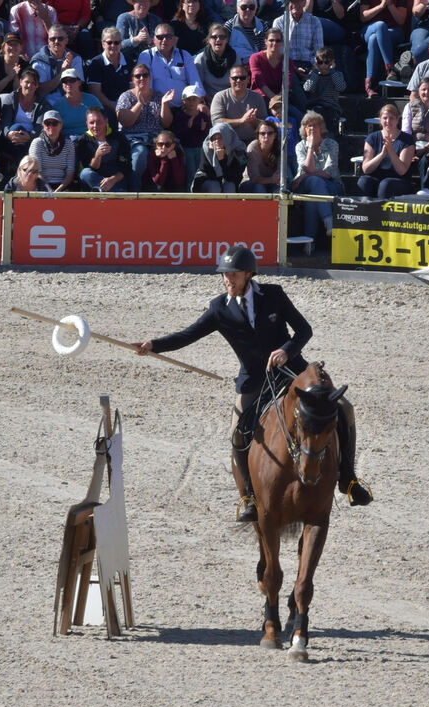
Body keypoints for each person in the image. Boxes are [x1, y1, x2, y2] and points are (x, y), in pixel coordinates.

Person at [132, 245, 372, 523]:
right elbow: (188, 335)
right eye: (224, 275)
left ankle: (350, 480)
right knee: (237, 432)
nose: (227, 280)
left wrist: (286, 350)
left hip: (292, 370)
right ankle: (247, 496)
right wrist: (153, 345)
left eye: (233, 274)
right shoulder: (218, 308)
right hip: (253, 380)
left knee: (343, 406)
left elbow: (304, 330)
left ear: (248, 274)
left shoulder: (273, 295)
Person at [116, 63, 173, 189]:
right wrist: (139, 103)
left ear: (150, 77)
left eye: (145, 75)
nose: (142, 78)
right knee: (140, 154)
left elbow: (166, 123)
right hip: (133, 138)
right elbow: (126, 121)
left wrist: (164, 104)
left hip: (155, 139)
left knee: (175, 151)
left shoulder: (158, 96)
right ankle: (134, 191)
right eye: (138, 76)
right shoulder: (126, 96)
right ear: (132, 79)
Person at [292, 110, 340, 239]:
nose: (312, 128)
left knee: (312, 198)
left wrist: (305, 175)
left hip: (331, 185)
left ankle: (310, 241)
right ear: (304, 129)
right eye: (309, 125)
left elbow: (328, 172)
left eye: (315, 125)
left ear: (321, 127)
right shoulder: (300, 146)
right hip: (303, 186)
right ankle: (329, 221)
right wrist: (311, 147)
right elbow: (308, 167)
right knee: (314, 182)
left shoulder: (332, 144)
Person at [357, 102, 416, 197]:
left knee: (385, 184)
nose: (388, 121)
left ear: (397, 120)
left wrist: (391, 151)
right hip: (376, 178)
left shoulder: (407, 140)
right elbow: (366, 169)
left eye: (392, 118)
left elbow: (402, 171)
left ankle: (382, 212)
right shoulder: (372, 138)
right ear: (380, 120)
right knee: (363, 181)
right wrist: (382, 154)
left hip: (399, 181)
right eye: (385, 118)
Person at [138, 22, 202, 108]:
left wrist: (199, 102)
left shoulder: (184, 55)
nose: (164, 40)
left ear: (174, 39)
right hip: (157, 108)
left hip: (184, 107)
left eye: (168, 37)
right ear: (154, 39)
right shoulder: (146, 56)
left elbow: (195, 81)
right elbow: (145, 86)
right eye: (160, 37)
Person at [0, 65, 47, 169]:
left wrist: (30, 136)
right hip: (12, 138)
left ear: (37, 85)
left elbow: (40, 126)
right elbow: (5, 122)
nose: (30, 85)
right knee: (16, 128)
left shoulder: (43, 103)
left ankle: (18, 166)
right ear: (20, 81)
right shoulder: (11, 98)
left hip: (32, 139)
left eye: (34, 83)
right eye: (27, 82)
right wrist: (9, 134)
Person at [75, 104, 130, 190]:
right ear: (87, 124)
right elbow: (90, 168)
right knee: (85, 173)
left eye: (99, 122)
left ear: (106, 121)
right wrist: (98, 155)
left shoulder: (119, 137)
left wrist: (112, 179)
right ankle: (106, 193)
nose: (95, 126)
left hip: (116, 181)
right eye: (91, 123)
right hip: (94, 182)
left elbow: (126, 166)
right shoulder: (83, 141)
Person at [249, 28, 305, 112]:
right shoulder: (255, 58)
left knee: (297, 115)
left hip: (281, 97)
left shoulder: (287, 60)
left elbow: (287, 81)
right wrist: (273, 98)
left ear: (282, 43)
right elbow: (259, 81)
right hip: (261, 97)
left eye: (278, 40)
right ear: (265, 41)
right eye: (271, 40)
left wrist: (279, 97)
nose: (274, 43)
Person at [210, 60, 266, 141]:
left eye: (242, 78)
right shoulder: (220, 97)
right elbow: (216, 122)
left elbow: (265, 124)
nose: (238, 80)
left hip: (252, 141)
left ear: (248, 79)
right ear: (229, 79)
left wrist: (254, 120)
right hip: (228, 142)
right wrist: (241, 120)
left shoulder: (257, 97)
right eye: (235, 78)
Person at [362, 0, 410, 93]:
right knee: (380, 25)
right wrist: (381, 6)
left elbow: (400, 21)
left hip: (393, 31)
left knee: (374, 39)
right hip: (370, 29)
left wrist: (390, 4)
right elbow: (363, 17)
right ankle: (390, 69)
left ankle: (369, 85)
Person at [86, 27, 132, 115]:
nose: (113, 46)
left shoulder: (129, 61)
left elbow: (133, 88)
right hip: (104, 106)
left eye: (116, 42)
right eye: (109, 42)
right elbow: (95, 92)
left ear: (121, 44)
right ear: (103, 44)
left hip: (126, 104)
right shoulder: (96, 63)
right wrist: (115, 107)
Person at [172, 82, 210, 182]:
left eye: (194, 99)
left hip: (200, 148)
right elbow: (178, 134)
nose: (192, 102)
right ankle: (190, 192)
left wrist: (203, 129)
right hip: (186, 148)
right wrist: (188, 127)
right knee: (190, 171)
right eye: (189, 99)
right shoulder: (180, 115)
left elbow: (207, 136)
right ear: (183, 101)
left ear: (200, 100)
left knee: (200, 171)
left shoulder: (203, 116)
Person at [28, 107, 75, 188]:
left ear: (61, 125)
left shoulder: (69, 144)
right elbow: (36, 170)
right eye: (47, 123)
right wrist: (49, 190)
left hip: (62, 185)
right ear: (43, 126)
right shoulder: (37, 143)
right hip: (40, 184)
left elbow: (70, 172)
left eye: (55, 123)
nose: (51, 126)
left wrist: (58, 191)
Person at [270, 0, 322, 73]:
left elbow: (319, 51)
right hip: (287, 66)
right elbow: (278, 51)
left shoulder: (314, 21)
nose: (295, 4)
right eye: (292, 2)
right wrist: (293, 68)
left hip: (309, 64)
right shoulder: (279, 22)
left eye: (298, 1)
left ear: (304, 2)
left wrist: (313, 69)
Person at [192, 120, 245, 190]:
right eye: (214, 139)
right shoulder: (207, 148)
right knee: (214, 186)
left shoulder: (236, 149)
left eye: (220, 138)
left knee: (230, 186)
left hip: (226, 179)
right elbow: (209, 173)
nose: (216, 141)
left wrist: (222, 160)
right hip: (206, 180)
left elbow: (233, 177)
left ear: (227, 137)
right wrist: (215, 155)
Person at [302, 46, 343, 134]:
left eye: (327, 62)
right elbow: (307, 88)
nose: (323, 65)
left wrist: (332, 71)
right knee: (316, 112)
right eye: (320, 62)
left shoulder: (337, 74)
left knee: (327, 115)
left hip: (331, 106)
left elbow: (341, 87)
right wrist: (315, 71)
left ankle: (328, 137)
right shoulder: (313, 75)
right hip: (315, 105)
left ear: (332, 62)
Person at [191, 25, 235, 106]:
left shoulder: (234, 57)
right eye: (214, 37)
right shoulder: (200, 59)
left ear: (227, 40)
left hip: (231, 100)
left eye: (222, 37)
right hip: (208, 101)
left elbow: (237, 83)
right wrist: (212, 102)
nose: (218, 39)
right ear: (209, 40)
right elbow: (198, 86)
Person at [51, 66, 102, 135]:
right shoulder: (57, 105)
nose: (68, 83)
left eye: (72, 80)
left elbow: (102, 120)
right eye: (64, 81)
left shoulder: (92, 100)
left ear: (79, 82)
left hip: (91, 138)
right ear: (62, 84)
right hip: (67, 142)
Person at [241, 115, 281, 191]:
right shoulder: (253, 147)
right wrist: (272, 180)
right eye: (262, 133)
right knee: (259, 188)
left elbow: (279, 175)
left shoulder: (280, 148)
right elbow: (254, 178)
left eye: (270, 133)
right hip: (249, 182)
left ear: (275, 135)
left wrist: (274, 180)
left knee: (280, 191)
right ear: (258, 136)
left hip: (271, 183)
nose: (266, 137)